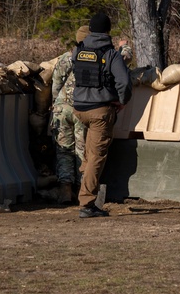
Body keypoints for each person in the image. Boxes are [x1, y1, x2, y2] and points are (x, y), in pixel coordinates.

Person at [72, 12, 132, 218]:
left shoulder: (77, 50)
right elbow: (124, 82)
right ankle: (87, 203)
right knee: (97, 157)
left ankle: (85, 190)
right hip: (100, 111)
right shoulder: (111, 54)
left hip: (79, 109)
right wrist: (122, 102)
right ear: (108, 31)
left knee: (89, 154)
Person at [49, 25, 90, 204]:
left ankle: (65, 190)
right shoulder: (94, 58)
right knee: (83, 150)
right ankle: (83, 190)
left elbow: (56, 82)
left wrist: (56, 103)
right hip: (82, 109)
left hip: (61, 108)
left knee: (64, 150)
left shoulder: (67, 57)